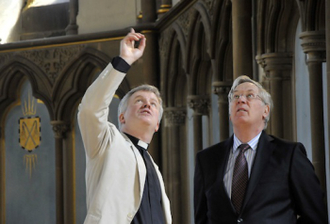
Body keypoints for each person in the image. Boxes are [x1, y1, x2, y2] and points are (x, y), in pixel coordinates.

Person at [194, 75, 328, 223]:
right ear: (230, 113)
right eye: (235, 96)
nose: (241, 100)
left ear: (266, 110)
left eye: (250, 95)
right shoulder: (207, 159)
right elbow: (201, 219)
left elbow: (315, 216)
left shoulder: (289, 155)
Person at [78, 28, 172, 224]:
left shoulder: (153, 167)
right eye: (139, 100)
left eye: (153, 104)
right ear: (121, 117)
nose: (147, 104)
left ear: (157, 125)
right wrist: (124, 61)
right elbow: (90, 110)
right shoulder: (106, 142)